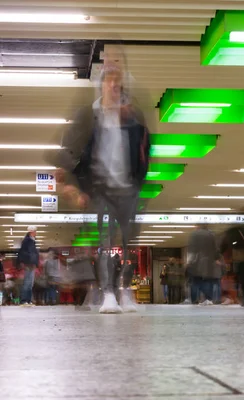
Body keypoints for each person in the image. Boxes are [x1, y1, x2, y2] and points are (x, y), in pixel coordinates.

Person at [47, 47, 150, 314]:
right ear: (102, 85)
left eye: (118, 81)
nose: (114, 85)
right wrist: (67, 173)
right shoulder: (88, 114)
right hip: (100, 186)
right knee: (105, 242)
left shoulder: (133, 115)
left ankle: (125, 290)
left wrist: (139, 180)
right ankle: (107, 294)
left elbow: (145, 149)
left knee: (128, 243)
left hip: (127, 187)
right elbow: (71, 145)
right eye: (109, 80)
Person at [186, 225, 222, 306]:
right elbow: (215, 248)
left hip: (196, 261)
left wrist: (190, 260)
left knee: (194, 282)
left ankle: (194, 300)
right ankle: (208, 299)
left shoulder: (194, 234)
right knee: (207, 281)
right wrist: (216, 258)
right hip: (208, 261)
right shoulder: (211, 234)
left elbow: (191, 248)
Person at [17, 226, 39, 307]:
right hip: (28, 264)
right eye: (35, 231)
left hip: (32, 264)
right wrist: (24, 262)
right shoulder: (27, 241)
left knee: (30, 283)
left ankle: (28, 300)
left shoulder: (32, 241)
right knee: (27, 282)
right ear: (31, 232)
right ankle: (23, 301)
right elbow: (23, 253)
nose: (36, 233)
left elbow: (33, 254)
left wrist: (35, 263)